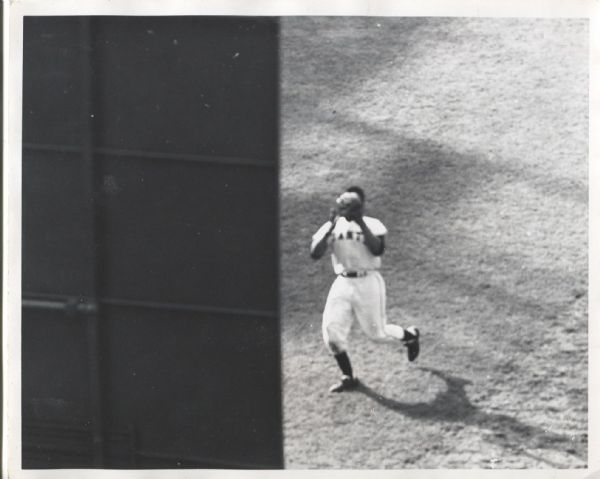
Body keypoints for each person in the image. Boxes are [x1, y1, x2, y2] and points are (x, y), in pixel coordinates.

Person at [310, 186, 420, 393]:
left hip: (368, 281)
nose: (351, 210)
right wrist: (330, 226)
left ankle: (410, 336)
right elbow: (315, 253)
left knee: (377, 333)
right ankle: (348, 376)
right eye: (347, 205)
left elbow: (378, 249)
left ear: (362, 206)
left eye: (356, 206)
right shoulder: (332, 226)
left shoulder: (372, 224)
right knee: (331, 332)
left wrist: (359, 221)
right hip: (342, 281)